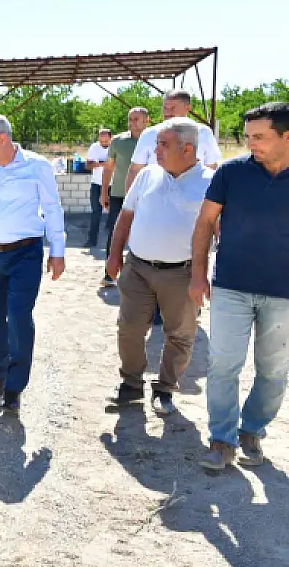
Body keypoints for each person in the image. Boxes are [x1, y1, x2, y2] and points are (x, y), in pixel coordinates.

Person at [192, 102, 289, 471]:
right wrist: (198, 273)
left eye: (260, 137)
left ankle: (252, 431)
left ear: (286, 136)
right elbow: (204, 224)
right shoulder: (232, 173)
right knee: (223, 365)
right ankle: (221, 439)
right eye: (248, 137)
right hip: (231, 285)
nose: (252, 144)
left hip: (284, 292)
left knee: (273, 372)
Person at [104, 118, 213, 416]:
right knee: (129, 327)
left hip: (183, 273)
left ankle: (164, 389)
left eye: (164, 145)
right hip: (137, 267)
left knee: (179, 334)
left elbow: (219, 230)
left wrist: (205, 276)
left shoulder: (210, 182)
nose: (156, 150)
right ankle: (130, 384)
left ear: (188, 148)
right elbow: (125, 216)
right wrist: (114, 256)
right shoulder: (148, 175)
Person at [0, 115, 66, 413]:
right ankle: (0, 371)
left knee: (19, 316)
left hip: (25, 254)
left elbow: (52, 208)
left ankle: (15, 385)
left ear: (2, 139)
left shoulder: (37, 166)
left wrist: (57, 251)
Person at [125, 89, 221, 192]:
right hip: (155, 199)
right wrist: (130, 203)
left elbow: (211, 167)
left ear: (187, 108)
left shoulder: (203, 133)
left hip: (193, 201)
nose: (168, 113)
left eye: (173, 108)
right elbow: (135, 170)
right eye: (165, 108)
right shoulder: (149, 134)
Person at [99, 107, 150, 287]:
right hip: (120, 195)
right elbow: (108, 168)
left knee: (146, 234)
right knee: (114, 233)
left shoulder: (155, 139)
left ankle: (143, 277)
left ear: (147, 120)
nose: (132, 122)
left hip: (148, 197)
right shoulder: (118, 141)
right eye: (130, 119)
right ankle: (109, 274)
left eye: (136, 119)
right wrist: (104, 192)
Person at [83, 128, 112, 247]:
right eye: (101, 141)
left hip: (113, 185)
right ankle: (92, 240)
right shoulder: (94, 147)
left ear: (111, 138)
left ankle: (114, 242)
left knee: (114, 213)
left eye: (106, 141)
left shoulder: (116, 146)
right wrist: (103, 164)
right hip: (97, 184)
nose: (104, 143)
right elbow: (88, 165)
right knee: (96, 212)